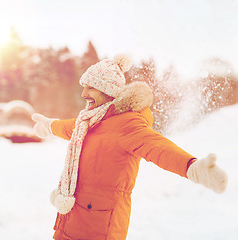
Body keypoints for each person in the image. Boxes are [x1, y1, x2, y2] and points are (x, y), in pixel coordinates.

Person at [32, 54, 228, 240]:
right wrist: (48, 125)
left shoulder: (128, 125)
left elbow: (158, 148)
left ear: (107, 90)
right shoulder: (88, 122)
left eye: (90, 88)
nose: (84, 94)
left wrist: (191, 167)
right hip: (70, 221)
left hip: (99, 228)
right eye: (84, 87)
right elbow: (69, 128)